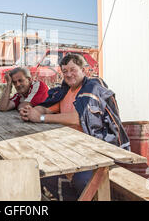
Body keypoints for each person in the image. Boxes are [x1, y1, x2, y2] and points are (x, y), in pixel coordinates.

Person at [19, 53, 130, 200]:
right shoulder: (65, 91)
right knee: (44, 172)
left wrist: (41, 118)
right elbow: (48, 107)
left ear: (84, 70)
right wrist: (33, 111)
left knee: (82, 180)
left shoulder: (93, 87)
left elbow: (80, 118)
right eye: (65, 71)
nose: (69, 74)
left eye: (73, 69)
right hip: (70, 148)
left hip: (96, 151)